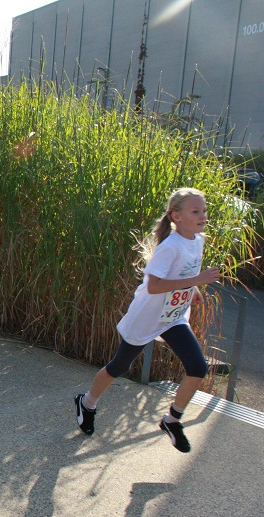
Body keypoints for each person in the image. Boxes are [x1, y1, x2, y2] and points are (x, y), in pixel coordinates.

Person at [74, 187, 221, 453]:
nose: (203, 216)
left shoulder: (197, 240)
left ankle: (172, 420)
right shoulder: (170, 246)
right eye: (196, 211)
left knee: (198, 367)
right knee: (119, 366)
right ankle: (88, 402)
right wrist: (197, 281)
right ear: (175, 216)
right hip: (148, 317)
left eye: (204, 210)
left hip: (173, 317)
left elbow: (185, 272)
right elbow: (154, 286)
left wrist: (193, 289)